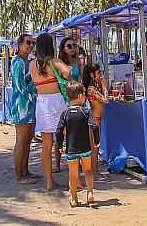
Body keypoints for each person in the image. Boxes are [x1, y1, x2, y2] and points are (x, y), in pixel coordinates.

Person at [30, 33, 72, 190]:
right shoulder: (53, 61)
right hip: (56, 101)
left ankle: (49, 182)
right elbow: (67, 72)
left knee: (46, 145)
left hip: (42, 102)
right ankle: (73, 177)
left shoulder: (32, 64)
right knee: (68, 138)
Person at [56, 82, 99, 207]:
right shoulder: (86, 111)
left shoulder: (65, 113)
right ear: (80, 96)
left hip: (71, 149)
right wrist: (97, 140)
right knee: (87, 170)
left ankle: (74, 197)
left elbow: (59, 131)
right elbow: (94, 126)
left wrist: (59, 145)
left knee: (73, 173)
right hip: (85, 147)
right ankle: (90, 192)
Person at [10, 34, 38, 184]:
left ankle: (25, 171)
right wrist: (35, 93)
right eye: (28, 42)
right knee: (21, 140)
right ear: (19, 44)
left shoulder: (28, 62)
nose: (30, 45)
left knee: (28, 140)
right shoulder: (17, 62)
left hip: (30, 106)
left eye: (32, 43)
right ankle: (19, 175)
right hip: (21, 106)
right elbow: (20, 86)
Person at [82, 63, 109, 177]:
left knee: (95, 147)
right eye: (98, 73)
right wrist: (105, 86)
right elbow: (105, 100)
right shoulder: (91, 88)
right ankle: (94, 172)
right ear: (92, 75)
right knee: (94, 147)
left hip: (97, 118)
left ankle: (95, 171)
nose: (101, 75)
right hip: (94, 119)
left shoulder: (94, 86)